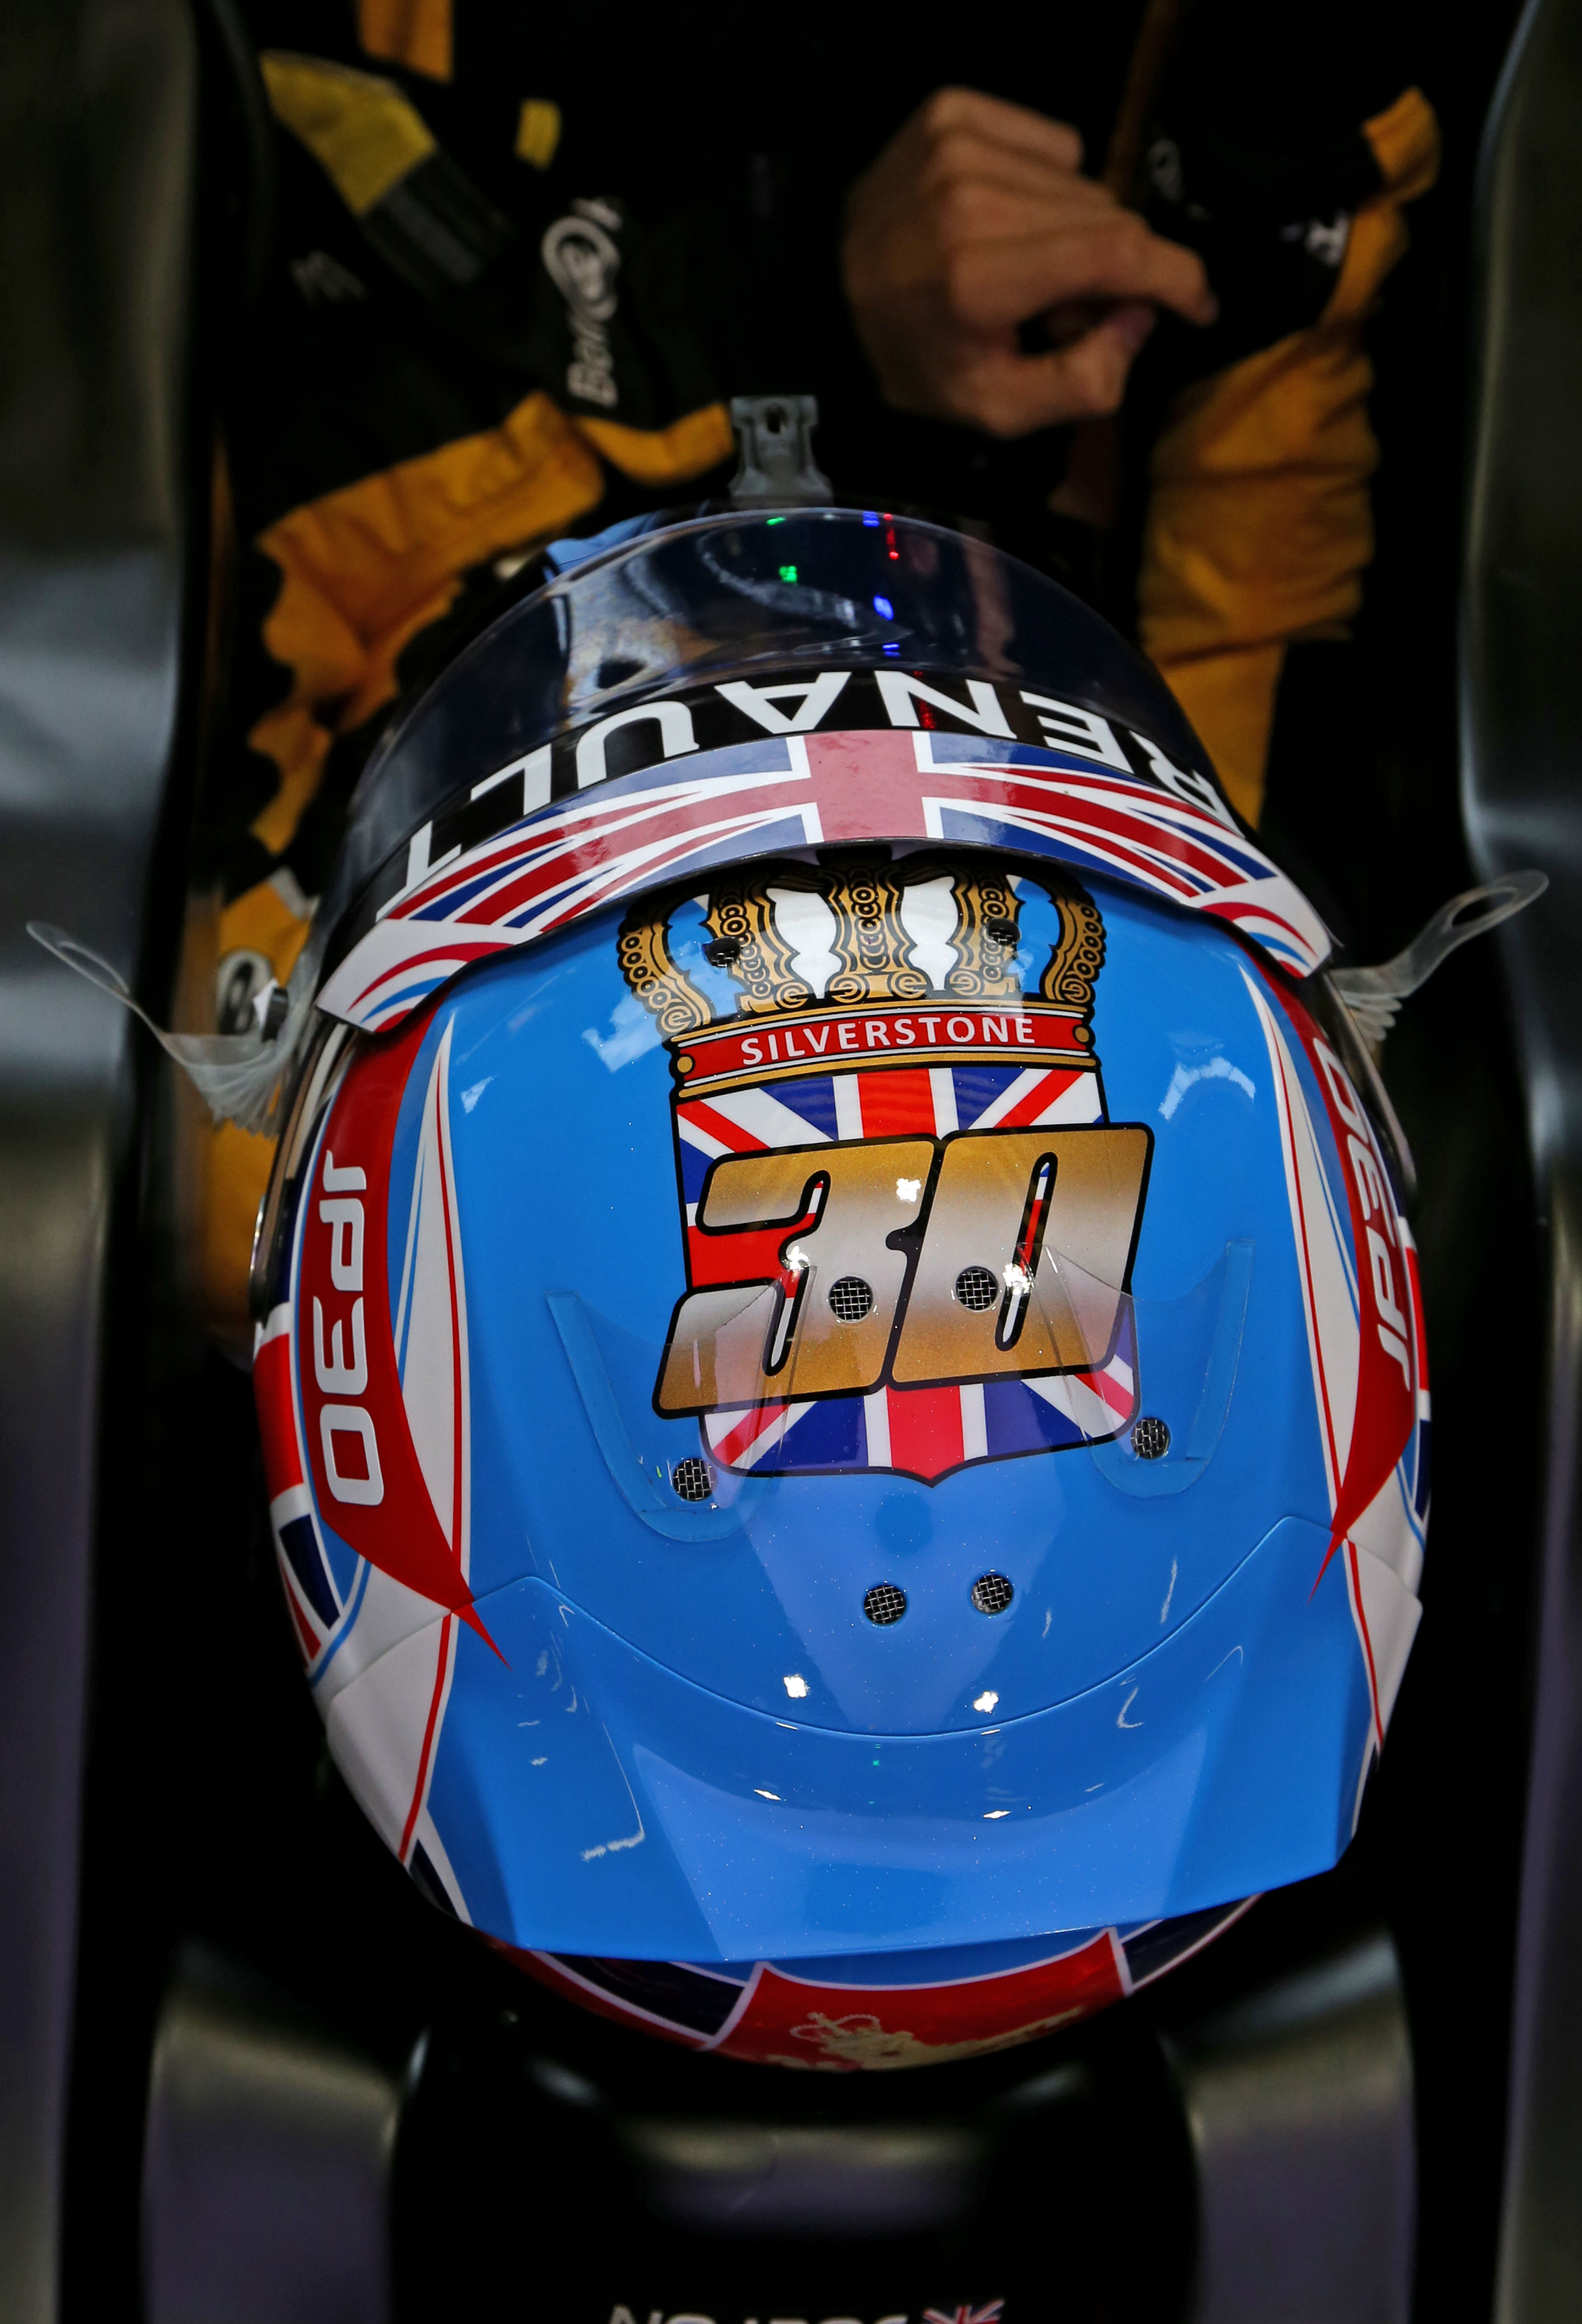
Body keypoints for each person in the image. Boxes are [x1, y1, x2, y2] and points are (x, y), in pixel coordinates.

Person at [198, 0, 1462, 1345]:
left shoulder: (1260, 82)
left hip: (1062, 770)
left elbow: (1251, 638)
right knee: (276, 1215)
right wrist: (788, 296)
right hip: (458, 765)